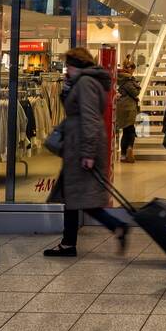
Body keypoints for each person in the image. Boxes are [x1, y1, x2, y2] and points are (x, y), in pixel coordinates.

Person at [44, 48, 128, 257]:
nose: (67, 70)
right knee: (74, 196)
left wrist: (88, 153)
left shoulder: (86, 83)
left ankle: (114, 226)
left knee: (79, 197)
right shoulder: (83, 83)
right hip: (77, 144)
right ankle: (68, 243)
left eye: (68, 67)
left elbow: (90, 118)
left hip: (82, 144)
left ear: (76, 66)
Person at [115, 58, 140, 163]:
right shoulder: (128, 79)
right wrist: (137, 86)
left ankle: (123, 154)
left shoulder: (119, 78)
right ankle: (128, 150)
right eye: (133, 69)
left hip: (121, 107)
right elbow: (135, 92)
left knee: (126, 130)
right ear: (130, 69)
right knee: (130, 130)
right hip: (128, 108)